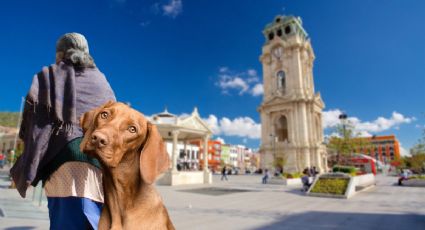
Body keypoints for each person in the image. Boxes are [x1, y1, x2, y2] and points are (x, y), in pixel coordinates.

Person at [10, 33, 116, 230]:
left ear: (60, 53)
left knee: (66, 222)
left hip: (66, 164)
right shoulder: (102, 81)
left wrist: (29, 156)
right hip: (101, 165)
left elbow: (34, 122)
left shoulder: (49, 75)